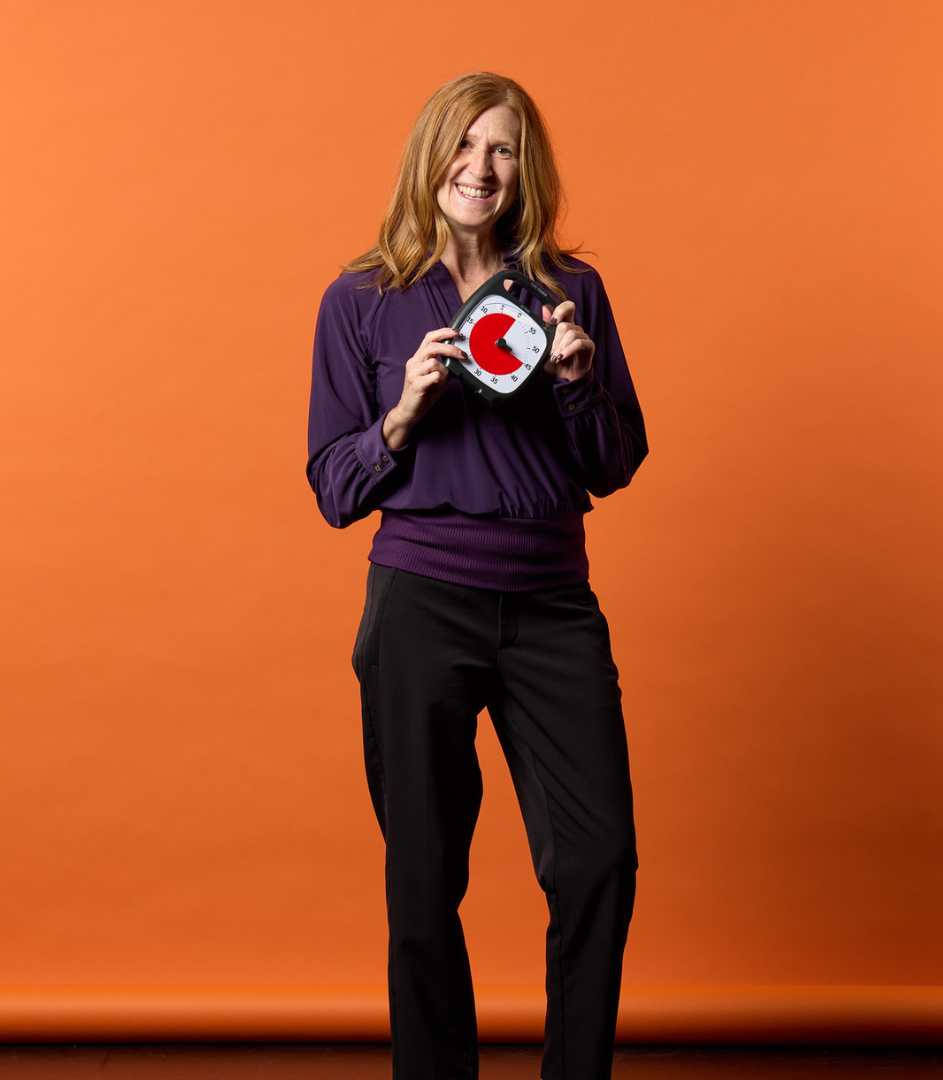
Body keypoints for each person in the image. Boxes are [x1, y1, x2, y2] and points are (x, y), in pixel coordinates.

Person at [307, 72, 647, 1080]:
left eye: (501, 149)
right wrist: (400, 417)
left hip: (551, 605)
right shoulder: (359, 301)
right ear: (430, 157)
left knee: (598, 863)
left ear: (524, 169)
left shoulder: (570, 291)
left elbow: (616, 465)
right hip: (420, 605)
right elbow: (333, 486)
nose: (481, 168)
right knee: (421, 885)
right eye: (464, 145)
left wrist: (581, 388)